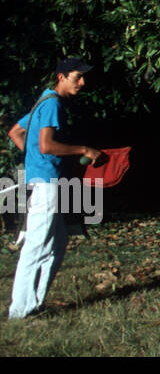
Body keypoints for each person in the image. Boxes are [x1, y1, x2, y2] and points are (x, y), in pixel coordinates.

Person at [7, 59, 102, 319]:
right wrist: (83, 149)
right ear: (61, 77)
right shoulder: (52, 104)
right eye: (77, 77)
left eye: (83, 78)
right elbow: (47, 145)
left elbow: (15, 132)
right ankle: (20, 311)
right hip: (47, 184)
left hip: (44, 180)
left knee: (57, 244)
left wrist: (34, 160)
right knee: (37, 247)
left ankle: (33, 305)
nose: (82, 83)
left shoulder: (42, 101)